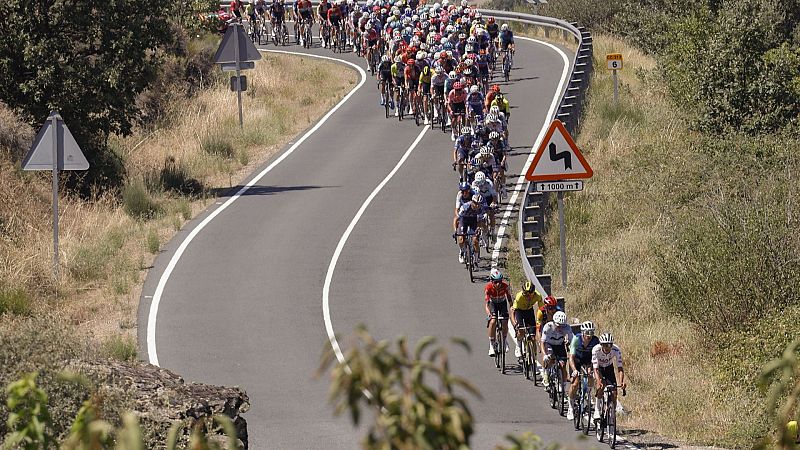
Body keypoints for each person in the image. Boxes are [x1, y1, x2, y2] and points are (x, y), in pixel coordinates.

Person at [567, 321, 600, 421]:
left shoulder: (595, 341)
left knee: (590, 376)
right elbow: (571, 357)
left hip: (588, 360)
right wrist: (574, 370)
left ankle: (588, 394)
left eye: (591, 332)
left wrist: (592, 368)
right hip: (576, 360)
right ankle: (570, 407)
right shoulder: (576, 339)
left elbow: (596, 357)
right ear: (582, 333)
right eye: (587, 333)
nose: (589, 335)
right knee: (575, 383)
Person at [592, 333, 626, 420]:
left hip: (608, 368)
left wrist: (621, 382)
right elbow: (595, 369)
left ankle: (612, 413)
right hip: (599, 368)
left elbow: (620, 368)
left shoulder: (616, 349)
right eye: (605, 345)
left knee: (614, 393)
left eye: (609, 345)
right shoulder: (596, 350)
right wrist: (598, 381)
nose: (607, 347)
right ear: (601, 345)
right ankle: (597, 409)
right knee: (601, 386)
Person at [509, 280, 543, 360]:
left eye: (529, 295)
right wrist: (515, 324)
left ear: (533, 293)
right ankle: (519, 346)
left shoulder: (537, 295)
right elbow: (512, 312)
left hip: (529, 311)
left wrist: (541, 320)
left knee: (533, 337)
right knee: (521, 331)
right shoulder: (519, 296)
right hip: (519, 311)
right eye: (525, 294)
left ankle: (533, 359)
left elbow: (541, 309)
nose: (527, 297)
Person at [540, 310, 573, 388]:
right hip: (549, 344)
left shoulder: (567, 328)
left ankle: (563, 386)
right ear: (554, 322)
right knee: (550, 358)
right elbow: (542, 342)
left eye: (562, 326)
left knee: (563, 365)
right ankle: (546, 374)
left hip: (560, 345)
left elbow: (572, 341)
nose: (560, 328)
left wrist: (573, 352)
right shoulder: (548, 326)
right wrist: (544, 354)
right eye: (558, 325)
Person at [485, 268, 512, 357]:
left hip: (502, 303)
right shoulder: (488, 288)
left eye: (500, 281)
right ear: (492, 281)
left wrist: (512, 308)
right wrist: (489, 314)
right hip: (493, 304)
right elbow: (487, 303)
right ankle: (491, 344)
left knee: (505, 320)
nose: (498, 284)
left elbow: (509, 299)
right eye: (496, 282)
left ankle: (504, 340)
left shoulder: (505, 286)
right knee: (493, 321)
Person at [455, 193, 485, 264]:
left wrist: (479, 228)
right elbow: (456, 219)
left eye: (479, 204)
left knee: (475, 241)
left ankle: (476, 256)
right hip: (464, 220)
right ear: (472, 201)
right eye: (475, 203)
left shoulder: (480, 209)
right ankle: (462, 251)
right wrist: (456, 230)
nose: (477, 205)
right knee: (461, 239)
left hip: (473, 221)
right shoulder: (465, 207)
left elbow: (481, 221)